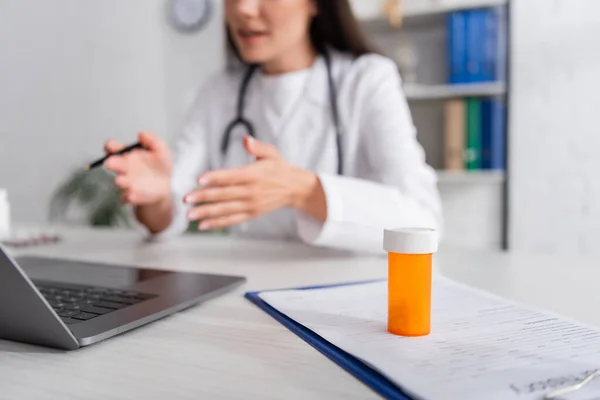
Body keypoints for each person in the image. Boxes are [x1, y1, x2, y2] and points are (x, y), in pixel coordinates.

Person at [102, 0, 443, 254]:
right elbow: (168, 217)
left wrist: (302, 190)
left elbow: (424, 222)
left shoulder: (367, 78)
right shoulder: (220, 91)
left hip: (353, 299)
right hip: (252, 294)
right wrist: (157, 197)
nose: (244, 9)